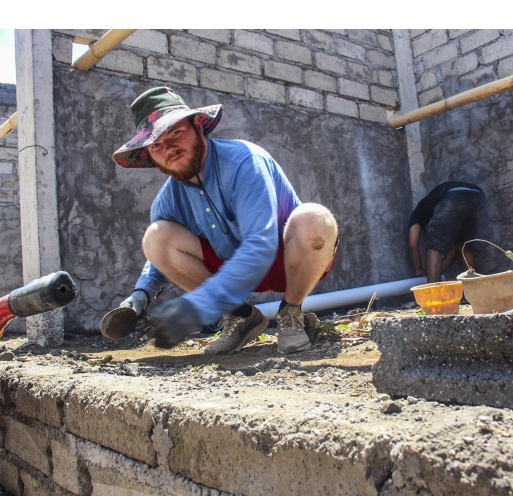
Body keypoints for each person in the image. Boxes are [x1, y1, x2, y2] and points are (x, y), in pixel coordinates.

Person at [101, 86, 339, 355]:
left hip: (288, 262)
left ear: (198, 126)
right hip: (230, 273)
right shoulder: (169, 198)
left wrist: (201, 302)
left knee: (315, 219)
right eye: (156, 144)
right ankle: (241, 317)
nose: (169, 148)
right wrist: (140, 295)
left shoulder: (245, 161)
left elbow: (259, 245)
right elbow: (159, 255)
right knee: (156, 237)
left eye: (175, 133)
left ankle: (292, 313)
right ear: (150, 156)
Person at [408, 180, 485, 283]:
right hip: (478, 195)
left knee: (434, 247)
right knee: (463, 247)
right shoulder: (432, 207)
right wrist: (437, 270)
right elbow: (454, 251)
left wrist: (418, 269)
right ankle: (476, 293)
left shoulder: (417, 214)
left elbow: (412, 245)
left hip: (454, 195)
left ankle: (434, 296)